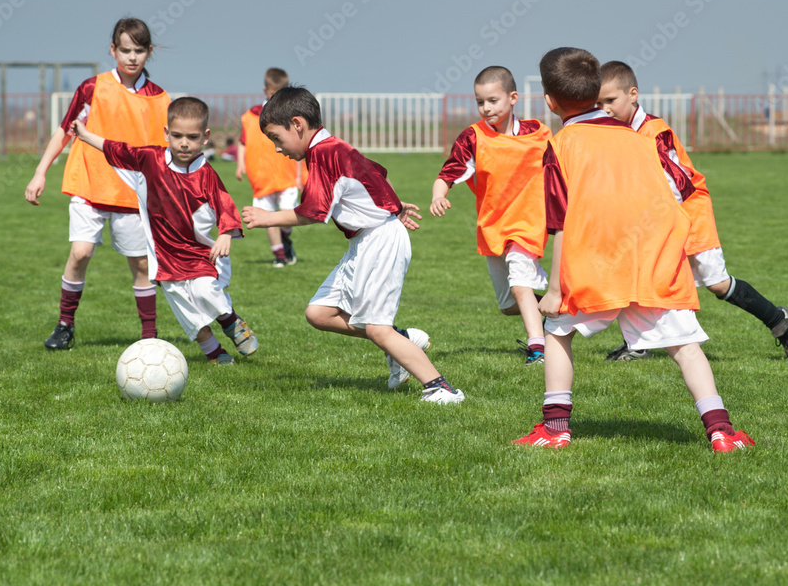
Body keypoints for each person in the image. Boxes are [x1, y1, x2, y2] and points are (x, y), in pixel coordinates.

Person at [513, 48, 753, 452]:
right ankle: (722, 432)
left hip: (596, 263)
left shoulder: (562, 144)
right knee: (685, 347)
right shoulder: (640, 138)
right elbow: (681, 187)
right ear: (596, 93)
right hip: (653, 261)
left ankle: (555, 428)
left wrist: (554, 290)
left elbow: (560, 222)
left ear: (550, 102)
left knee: (557, 332)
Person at [241, 86, 465, 403]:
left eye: (277, 138)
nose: (277, 148)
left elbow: (315, 212)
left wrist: (268, 218)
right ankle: (402, 340)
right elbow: (372, 172)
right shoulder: (332, 148)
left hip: (380, 241)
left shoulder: (324, 153)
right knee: (319, 313)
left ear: (297, 125)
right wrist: (391, 204)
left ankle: (441, 388)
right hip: (367, 240)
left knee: (376, 328)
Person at [598, 61, 788, 361]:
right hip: (657, 218)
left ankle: (781, 323)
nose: (604, 109)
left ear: (633, 95)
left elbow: (677, 183)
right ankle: (639, 343)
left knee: (718, 285)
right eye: (598, 103)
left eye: (610, 100)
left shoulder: (654, 132)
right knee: (640, 275)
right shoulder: (620, 133)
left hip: (689, 211)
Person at [71, 97, 258, 365]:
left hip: (201, 254)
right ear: (166, 133)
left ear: (205, 137)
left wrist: (227, 233)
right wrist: (86, 135)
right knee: (188, 312)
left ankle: (231, 322)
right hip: (165, 258)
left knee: (206, 292)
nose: (184, 143)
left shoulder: (207, 174)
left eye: (192, 137)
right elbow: (117, 149)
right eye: (178, 136)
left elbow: (225, 205)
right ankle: (215, 353)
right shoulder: (150, 159)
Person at [25, 18, 169, 351]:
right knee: (80, 252)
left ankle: (149, 336)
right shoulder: (93, 87)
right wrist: (40, 171)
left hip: (132, 192)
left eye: (138, 51)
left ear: (149, 52)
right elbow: (64, 130)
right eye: (124, 50)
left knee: (142, 265)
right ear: (113, 50)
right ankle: (65, 325)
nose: (131, 57)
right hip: (88, 183)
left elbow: (163, 152)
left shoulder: (160, 98)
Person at [430, 66, 551, 366]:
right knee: (509, 303)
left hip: (527, 224)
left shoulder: (539, 134)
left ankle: (538, 350)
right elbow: (446, 174)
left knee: (521, 282)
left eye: (493, 101)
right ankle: (556, 313)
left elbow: (561, 172)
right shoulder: (473, 138)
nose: (486, 108)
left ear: (513, 98)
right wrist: (438, 195)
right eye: (480, 102)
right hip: (493, 226)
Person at [236, 68, 305, 268]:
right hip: (262, 176)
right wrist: (240, 164)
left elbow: (299, 148)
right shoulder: (252, 116)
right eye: (273, 93)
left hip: (286, 175)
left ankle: (286, 238)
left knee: (287, 216)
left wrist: (299, 176)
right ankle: (279, 255)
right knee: (268, 216)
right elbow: (243, 142)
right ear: (265, 90)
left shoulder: (292, 118)